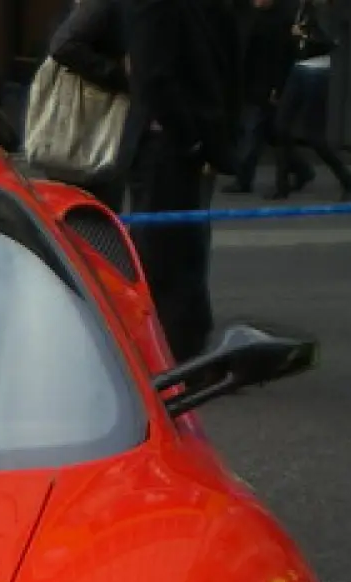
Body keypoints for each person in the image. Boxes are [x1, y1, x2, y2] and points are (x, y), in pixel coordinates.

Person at [122, 0, 239, 363]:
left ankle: (187, 347)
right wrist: (190, 136)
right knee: (164, 260)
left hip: (187, 144)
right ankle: (168, 357)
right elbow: (154, 76)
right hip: (168, 147)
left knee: (185, 253)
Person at [266, 0, 351, 200]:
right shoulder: (302, 7)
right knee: (280, 126)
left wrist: (305, 35)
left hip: (316, 70)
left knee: (314, 135)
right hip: (299, 67)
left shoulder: (325, 11)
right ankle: (282, 185)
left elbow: (331, 42)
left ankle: (346, 177)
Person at [47, 0, 126, 211]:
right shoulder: (101, 6)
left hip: (103, 123)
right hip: (93, 120)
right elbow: (63, 45)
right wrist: (120, 76)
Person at [221, 0, 291, 194]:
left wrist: (276, 86)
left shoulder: (276, 22)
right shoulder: (249, 17)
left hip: (262, 85)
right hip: (250, 83)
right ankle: (301, 169)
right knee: (266, 132)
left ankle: (243, 178)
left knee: (252, 132)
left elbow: (279, 58)